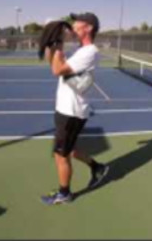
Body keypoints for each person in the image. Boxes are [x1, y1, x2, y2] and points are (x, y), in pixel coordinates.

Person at [41, 12, 109, 205]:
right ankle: (97, 167)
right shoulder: (81, 50)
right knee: (68, 150)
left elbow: (57, 70)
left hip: (71, 111)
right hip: (66, 108)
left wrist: (58, 44)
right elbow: (53, 63)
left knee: (60, 154)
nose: (73, 24)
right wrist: (51, 44)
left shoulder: (90, 51)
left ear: (88, 27)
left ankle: (65, 193)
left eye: (77, 22)